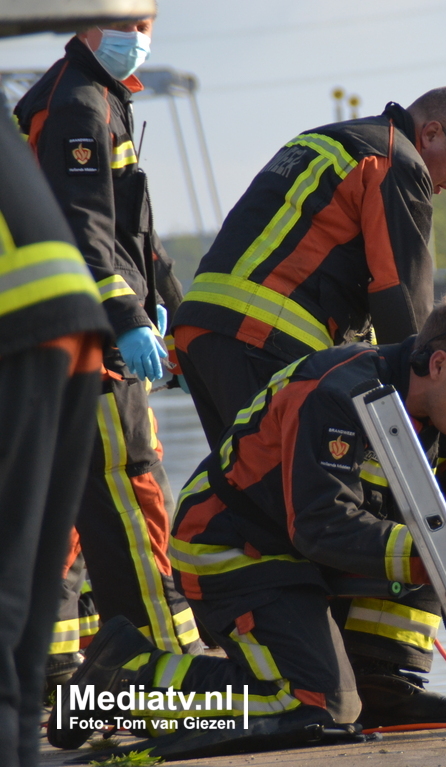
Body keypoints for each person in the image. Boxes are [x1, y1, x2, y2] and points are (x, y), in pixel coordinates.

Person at [50, 290, 446, 753]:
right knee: (312, 707)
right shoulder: (338, 393)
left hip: (305, 556)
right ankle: (118, 684)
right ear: (437, 364)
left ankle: (380, 683)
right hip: (233, 546)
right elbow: (319, 523)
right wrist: (431, 557)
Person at [14, 14, 202, 659]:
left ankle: (61, 661)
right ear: (88, 22)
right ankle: (160, 660)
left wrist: (179, 309)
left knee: (67, 502)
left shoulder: (93, 96)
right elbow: (82, 227)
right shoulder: (75, 105)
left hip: (60, 332)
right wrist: (126, 319)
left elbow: (133, 234)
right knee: (129, 483)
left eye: (148, 21)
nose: (141, 34)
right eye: (128, 23)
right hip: (85, 334)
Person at [172, 85, 446, 447]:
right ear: (431, 133)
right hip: (260, 339)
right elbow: (400, 293)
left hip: (199, 331)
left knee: (246, 487)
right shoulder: (396, 161)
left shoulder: (321, 140)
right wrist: (425, 388)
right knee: (292, 490)